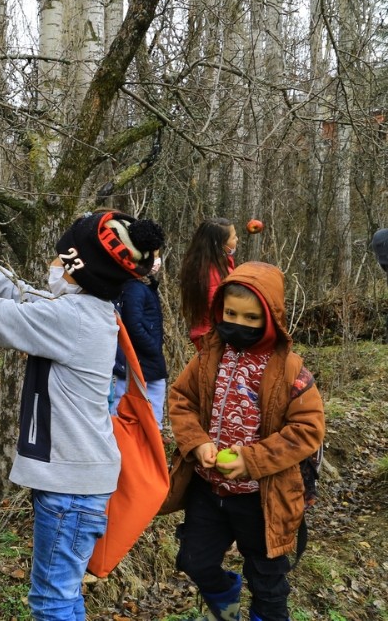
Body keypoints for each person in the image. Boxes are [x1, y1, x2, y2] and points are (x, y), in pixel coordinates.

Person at [0, 211, 164, 620]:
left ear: (83, 269)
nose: (54, 267)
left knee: (52, 601)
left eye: (61, 261)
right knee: (60, 595)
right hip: (74, 484)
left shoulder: (73, 318)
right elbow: (21, 295)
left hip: (72, 490)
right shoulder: (83, 307)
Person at [159, 261, 325, 621]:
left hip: (263, 497)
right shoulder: (207, 357)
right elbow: (181, 400)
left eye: (251, 318)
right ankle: (225, 599)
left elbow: (308, 429)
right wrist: (197, 442)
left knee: (267, 580)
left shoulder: (290, 369)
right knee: (194, 560)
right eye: (230, 314)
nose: (239, 324)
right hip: (210, 489)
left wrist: (251, 460)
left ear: (271, 318)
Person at [110, 250, 166, 428]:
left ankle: (152, 431)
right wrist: (151, 347)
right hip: (139, 356)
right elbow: (133, 325)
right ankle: (122, 432)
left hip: (148, 357)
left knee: (156, 391)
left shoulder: (144, 287)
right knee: (125, 394)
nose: (157, 259)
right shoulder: (134, 289)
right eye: (154, 254)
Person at [179, 217, 238, 350]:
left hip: (209, 335)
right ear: (221, 244)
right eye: (233, 237)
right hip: (213, 339)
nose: (237, 240)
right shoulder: (215, 273)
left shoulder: (201, 265)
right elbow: (219, 309)